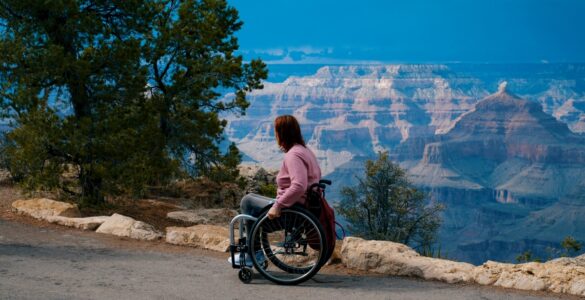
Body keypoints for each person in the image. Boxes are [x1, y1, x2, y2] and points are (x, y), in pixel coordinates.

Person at [230, 115, 322, 266]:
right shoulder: (305, 151)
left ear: (282, 133)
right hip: (301, 206)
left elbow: (299, 185)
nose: (274, 135)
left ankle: (254, 253)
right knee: (252, 197)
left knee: (247, 201)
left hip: (291, 211)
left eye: (275, 132)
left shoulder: (293, 155)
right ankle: (253, 250)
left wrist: (278, 205)